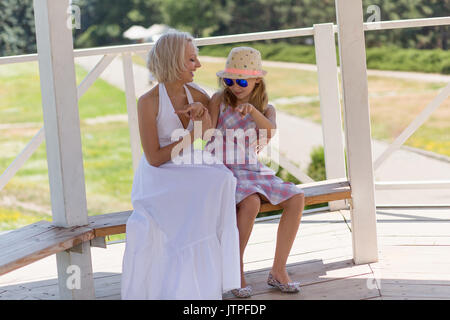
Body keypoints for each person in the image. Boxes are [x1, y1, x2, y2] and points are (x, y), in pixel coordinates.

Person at [121, 31, 241, 300]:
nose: (198, 65)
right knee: (204, 187)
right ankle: (179, 274)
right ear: (174, 62)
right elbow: (153, 157)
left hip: (185, 164)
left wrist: (201, 116)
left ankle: (203, 279)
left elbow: (209, 137)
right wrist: (191, 136)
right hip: (158, 175)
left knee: (222, 179)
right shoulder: (148, 102)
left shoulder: (197, 93)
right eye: (191, 59)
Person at [207, 47, 305, 298]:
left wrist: (253, 111)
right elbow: (205, 132)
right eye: (228, 81)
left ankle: (278, 269)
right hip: (223, 168)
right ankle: (235, 268)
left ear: (257, 81)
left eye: (241, 81)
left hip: (251, 169)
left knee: (296, 198)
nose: (234, 87)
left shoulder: (266, 109)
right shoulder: (220, 100)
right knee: (250, 203)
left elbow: (269, 131)